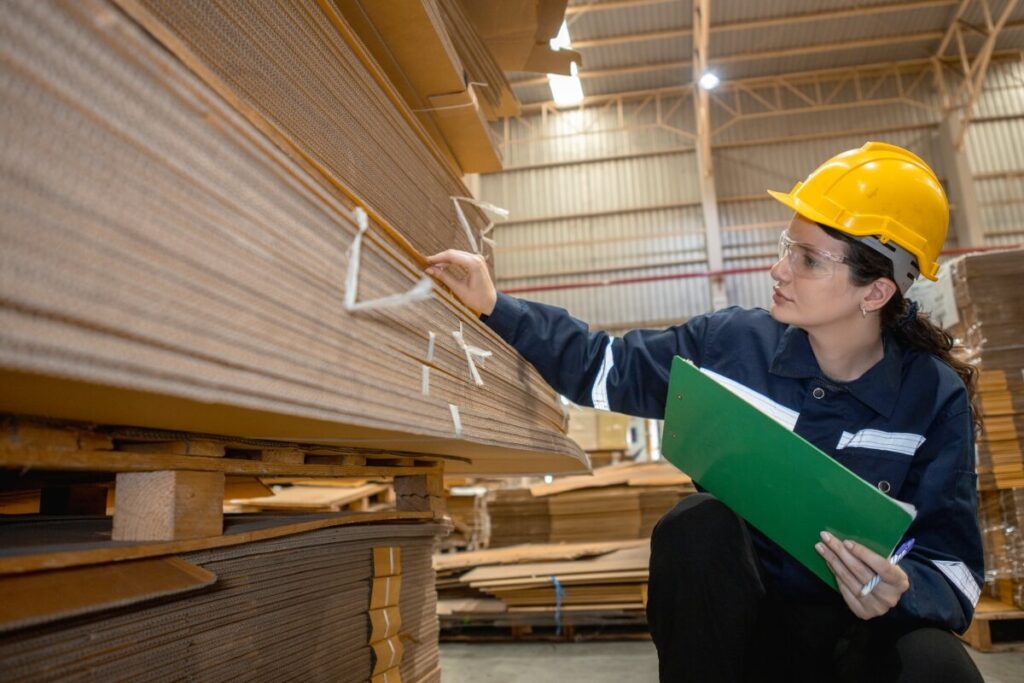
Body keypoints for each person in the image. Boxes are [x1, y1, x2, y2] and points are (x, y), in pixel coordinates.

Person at [424, 142, 984, 682]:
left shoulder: (932, 397)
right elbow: (604, 366)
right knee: (696, 525)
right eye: (786, 247)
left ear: (875, 292)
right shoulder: (730, 346)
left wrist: (904, 587)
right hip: (742, 639)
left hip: (858, 642)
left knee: (938, 664)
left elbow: (954, 568)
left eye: (808, 259)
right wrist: (495, 306)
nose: (779, 270)